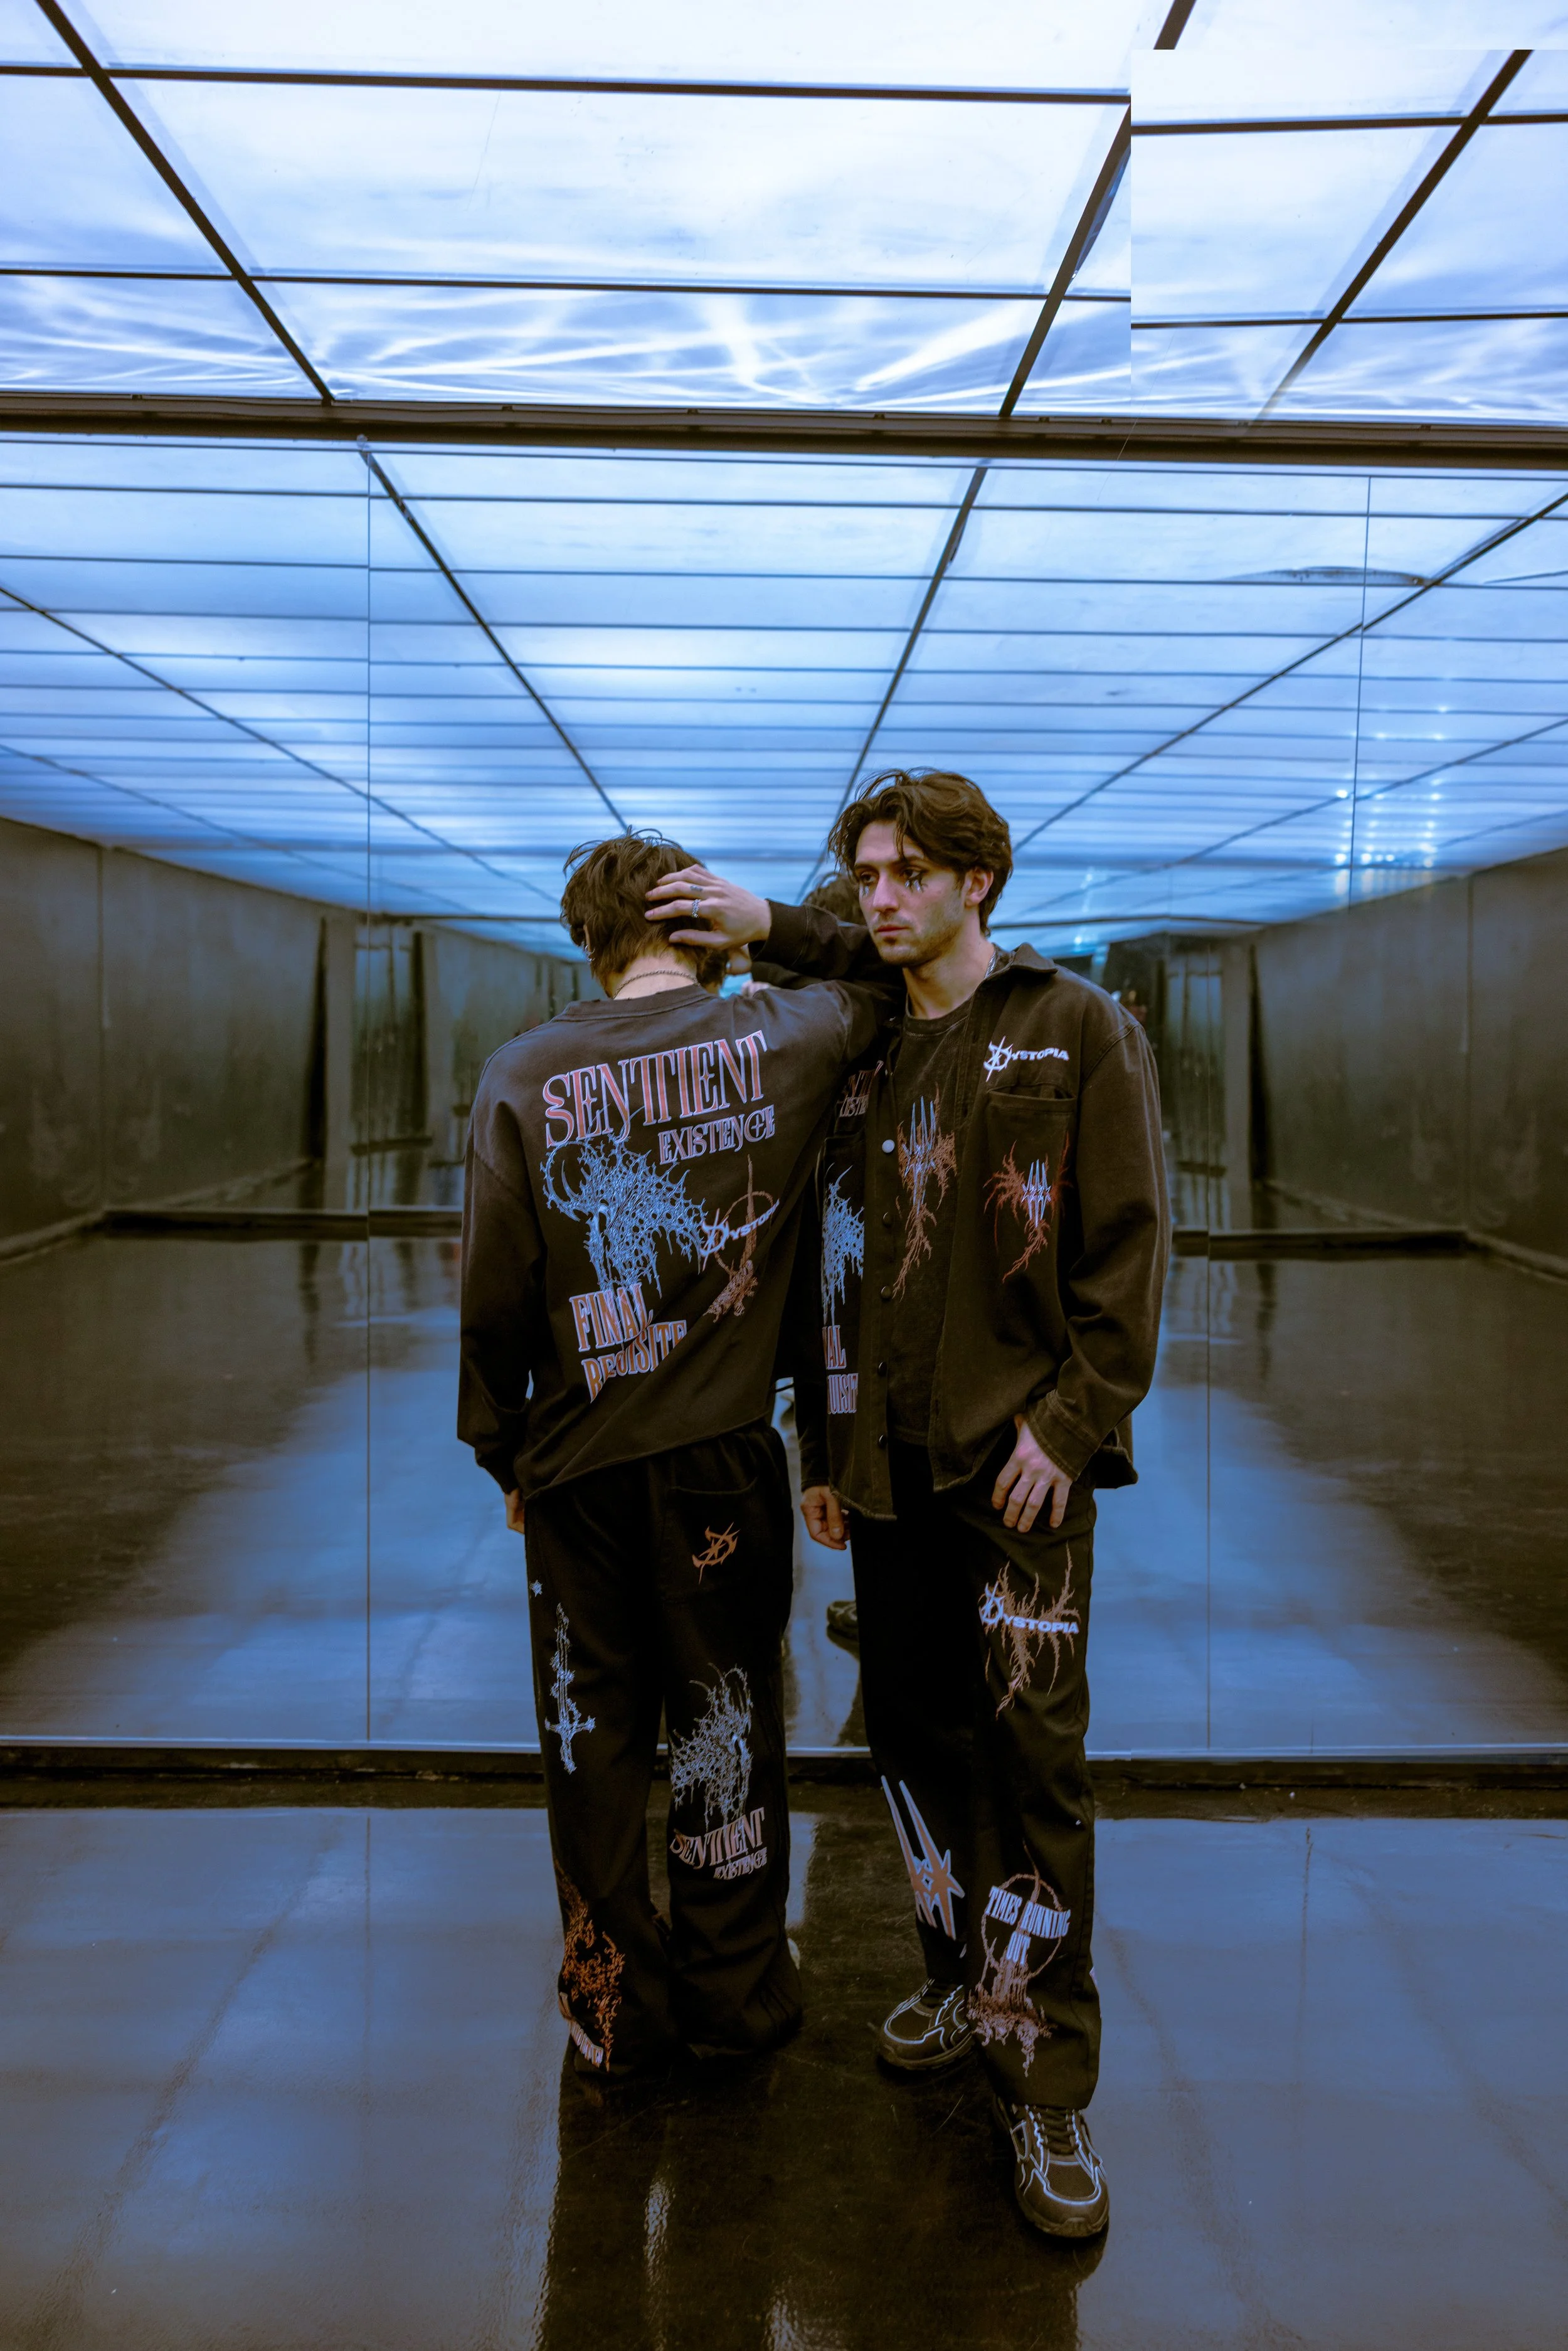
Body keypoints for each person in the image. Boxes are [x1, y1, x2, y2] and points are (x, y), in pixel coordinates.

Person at [647, 770, 1169, 2236]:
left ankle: (1046, 2081)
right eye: (861, 875)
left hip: (1015, 1480)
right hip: (882, 1480)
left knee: (1032, 1772)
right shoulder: (869, 1046)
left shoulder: (1073, 1028)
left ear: (973, 884)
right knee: (917, 1746)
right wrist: (821, 1449)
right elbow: (835, 1263)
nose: (875, 897)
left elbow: (1127, 1253)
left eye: (901, 874)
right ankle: (958, 1977)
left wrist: (1071, 1427)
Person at [458, 832, 889, 2079]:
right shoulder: (788, 1034)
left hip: (579, 1470)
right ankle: (737, 1994)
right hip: (718, 1461)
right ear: (703, 931)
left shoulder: (521, 1074)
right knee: (727, 1721)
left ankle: (612, 2010)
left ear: (582, 941)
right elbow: (891, 977)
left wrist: (507, 1451)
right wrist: (775, 926)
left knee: (589, 1739)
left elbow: (494, 1289)